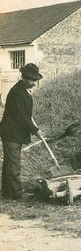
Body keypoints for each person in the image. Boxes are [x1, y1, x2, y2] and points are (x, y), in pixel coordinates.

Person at [0, 63, 44, 200]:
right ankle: (17, 194)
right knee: (14, 164)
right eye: (32, 80)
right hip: (11, 132)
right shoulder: (17, 92)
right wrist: (36, 130)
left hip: (14, 132)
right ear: (24, 78)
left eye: (35, 80)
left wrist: (33, 126)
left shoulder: (24, 91)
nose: (34, 83)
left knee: (9, 163)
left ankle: (7, 192)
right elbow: (21, 117)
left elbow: (26, 115)